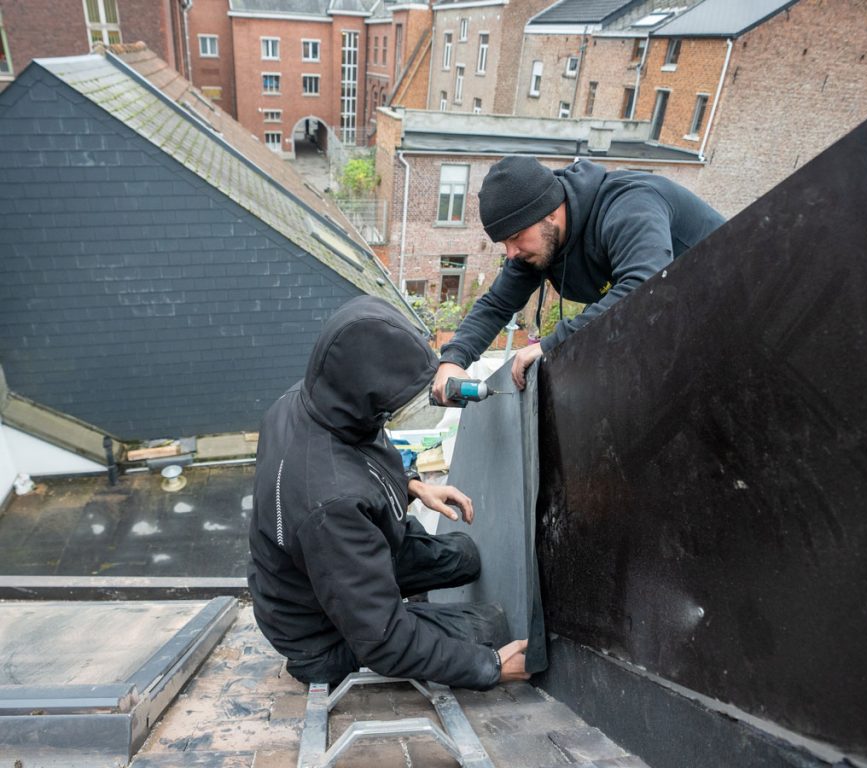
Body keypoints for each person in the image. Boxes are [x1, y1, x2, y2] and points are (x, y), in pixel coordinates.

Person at [248, 296, 529, 690]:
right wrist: (491, 667)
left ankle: (390, 600)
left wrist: (412, 485)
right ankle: (399, 620)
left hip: (323, 567)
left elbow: (363, 453)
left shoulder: (311, 401)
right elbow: (384, 642)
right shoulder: (329, 503)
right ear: (364, 395)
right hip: (319, 636)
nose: (392, 413)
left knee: (465, 556)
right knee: (493, 628)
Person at [432, 155, 725, 403]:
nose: (511, 253)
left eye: (515, 238)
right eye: (504, 243)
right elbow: (497, 304)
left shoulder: (630, 205)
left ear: (550, 214)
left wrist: (552, 343)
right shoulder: (540, 244)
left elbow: (645, 289)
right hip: (674, 324)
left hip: (732, 308)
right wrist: (453, 359)